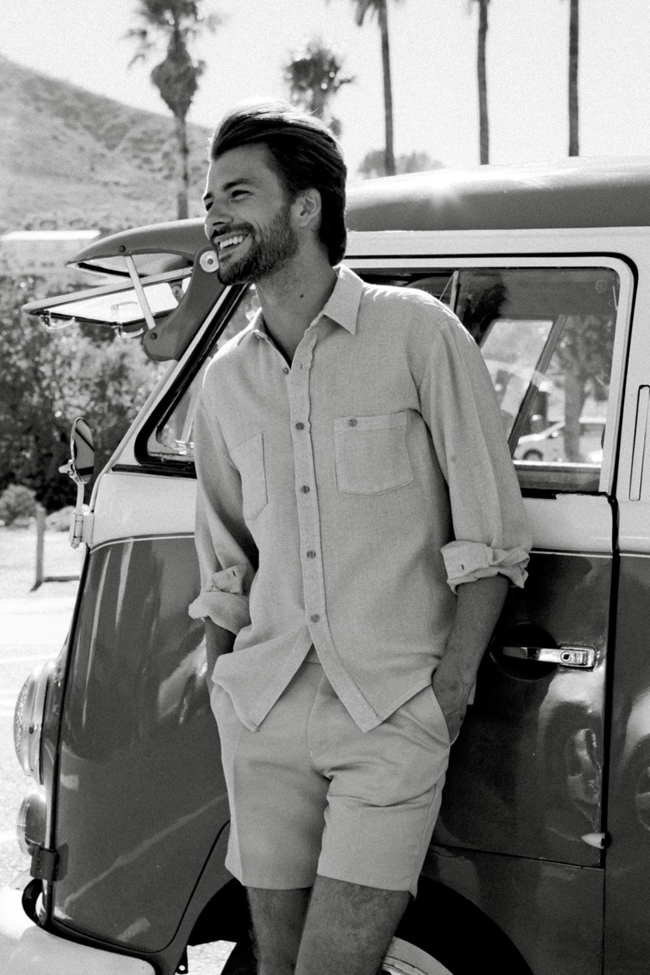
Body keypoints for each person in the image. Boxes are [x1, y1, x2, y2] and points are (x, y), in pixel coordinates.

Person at [189, 102, 531, 975]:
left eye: (238, 192)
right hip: (263, 714)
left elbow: (491, 532)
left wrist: (445, 694)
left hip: (391, 714)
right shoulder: (224, 383)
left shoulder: (418, 332)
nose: (214, 213)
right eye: (209, 197)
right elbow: (227, 561)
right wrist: (223, 683)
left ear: (305, 207)